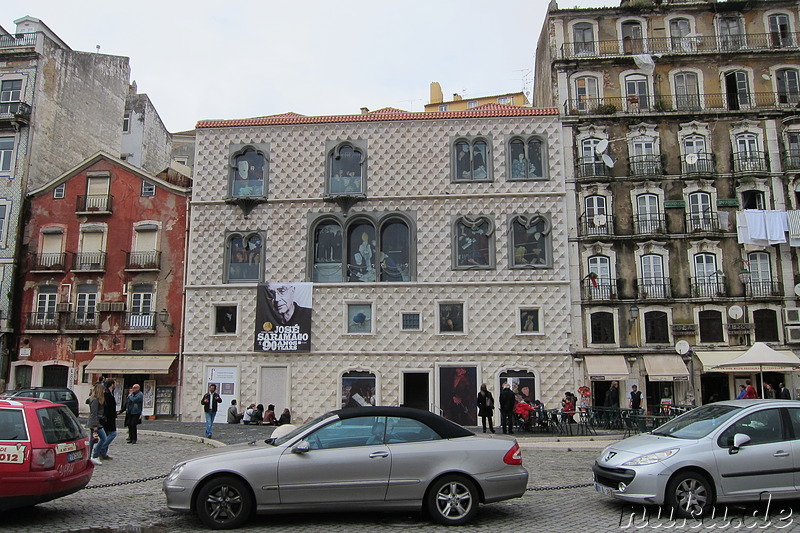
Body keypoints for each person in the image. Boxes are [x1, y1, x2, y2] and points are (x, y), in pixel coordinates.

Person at [95, 379, 117, 460]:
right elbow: (106, 407)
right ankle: (100, 449)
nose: (116, 385)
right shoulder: (107, 394)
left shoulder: (110, 393)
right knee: (113, 434)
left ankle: (104, 453)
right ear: (112, 384)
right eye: (115, 383)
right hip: (108, 418)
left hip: (110, 417)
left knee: (108, 434)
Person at [87, 383, 106, 466]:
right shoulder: (95, 400)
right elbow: (93, 413)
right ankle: (94, 455)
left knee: (92, 440)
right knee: (103, 438)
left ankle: (89, 456)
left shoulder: (97, 399)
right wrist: (95, 425)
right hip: (95, 422)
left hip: (96, 422)